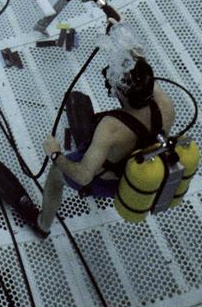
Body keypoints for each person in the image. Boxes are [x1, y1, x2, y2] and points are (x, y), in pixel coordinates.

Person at [37, 42, 175, 235]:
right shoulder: (165, 104)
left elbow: (84, 176)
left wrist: (55, 154)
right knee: (97, 148)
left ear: (120, 92)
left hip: (108, 182)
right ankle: (97, 153)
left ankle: (43, 223)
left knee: (56, 174)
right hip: (134, 170)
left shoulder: (110, 128)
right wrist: (120, 32)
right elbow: (141, 70)